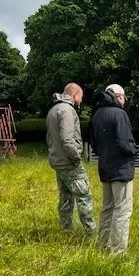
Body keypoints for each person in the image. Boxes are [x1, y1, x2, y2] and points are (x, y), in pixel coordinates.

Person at [90, 84, 137, 253]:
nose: (125, 100)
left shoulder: (97, 115)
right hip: (121, 168)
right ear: (118, 96)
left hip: (105, 167)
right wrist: (134, 150)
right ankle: (118, 251)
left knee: (107, 208)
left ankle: (103, 244)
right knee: (123, 209)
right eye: (124, 97)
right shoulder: (119, 114)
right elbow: (125, 143)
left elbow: (93, 144)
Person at [45, 83, 96, 233]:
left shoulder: (53, 110)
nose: (81, 99)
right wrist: (76, 158)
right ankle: (90, 233)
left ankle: (66, 230)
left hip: (57, 161)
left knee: (65, 197)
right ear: (74, 95)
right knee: (84, 196)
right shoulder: (67, 110)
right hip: (68, 161)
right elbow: (67, 139)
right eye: (80, 96)